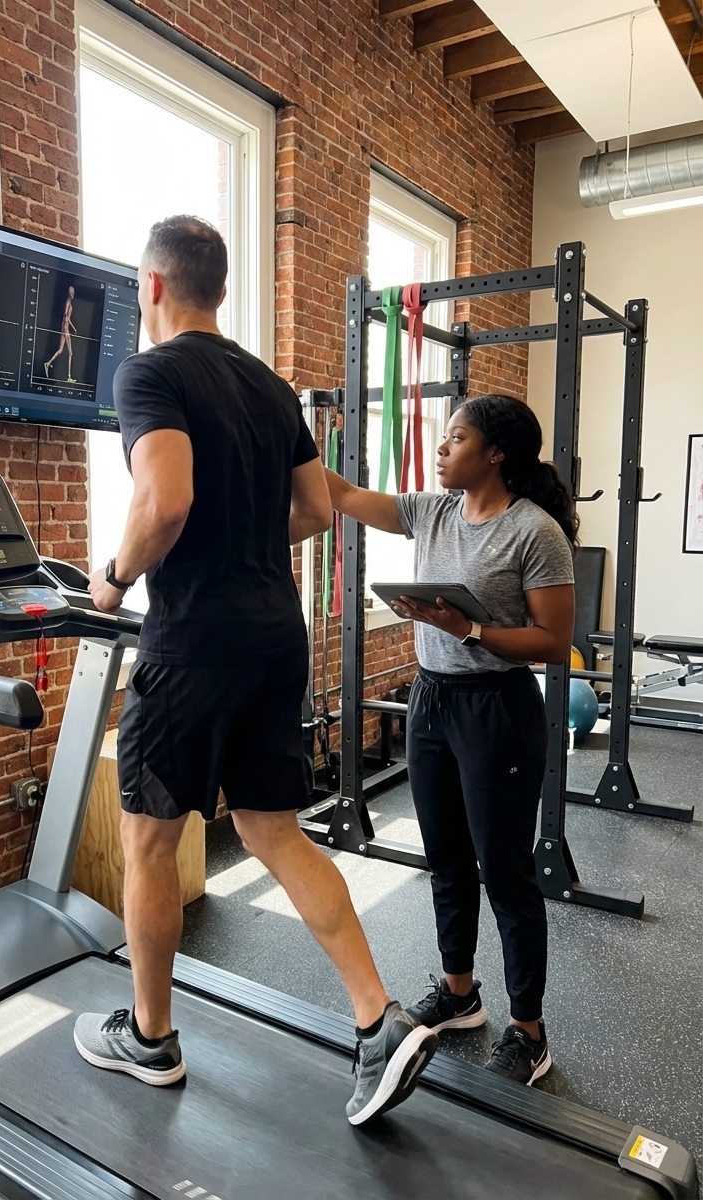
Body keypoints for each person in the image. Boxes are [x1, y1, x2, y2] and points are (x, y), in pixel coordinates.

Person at [75, 215, 438, 1124]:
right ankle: (377, 1018)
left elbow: (164, 500)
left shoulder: (148, 372)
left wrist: (114, 579)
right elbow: (316, 510)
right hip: (280, 635)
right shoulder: (271, 386)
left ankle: (150, 1040)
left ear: (150, 287)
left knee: (150, 842)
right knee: (276, 832)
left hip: (195, 642)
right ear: (222, 292)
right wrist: (237, 539)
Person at [325, 395, 576, 1086]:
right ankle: (460, 993)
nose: (441, 449)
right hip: (431, 698)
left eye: (454, 438)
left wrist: (467, 628)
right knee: (447, 860)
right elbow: (343, 493)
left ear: (494, 454)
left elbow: (555, 642)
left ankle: (529, 1031)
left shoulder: (534, 532)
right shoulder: (430, 512)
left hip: (497, 707)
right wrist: (273, 437)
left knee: (506, 871)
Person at [45, 285, 77, 382]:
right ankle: (69, 376)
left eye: (73, 291)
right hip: (65, 329)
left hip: (65, 329)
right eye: (71, 292)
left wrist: (73, 328)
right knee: (70, 353)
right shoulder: (68, 302)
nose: (72, 293)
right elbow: (66, 317)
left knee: (60, 350)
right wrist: (67, 329)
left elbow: (67, 318)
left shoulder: (69, 302)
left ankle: (47, 363)